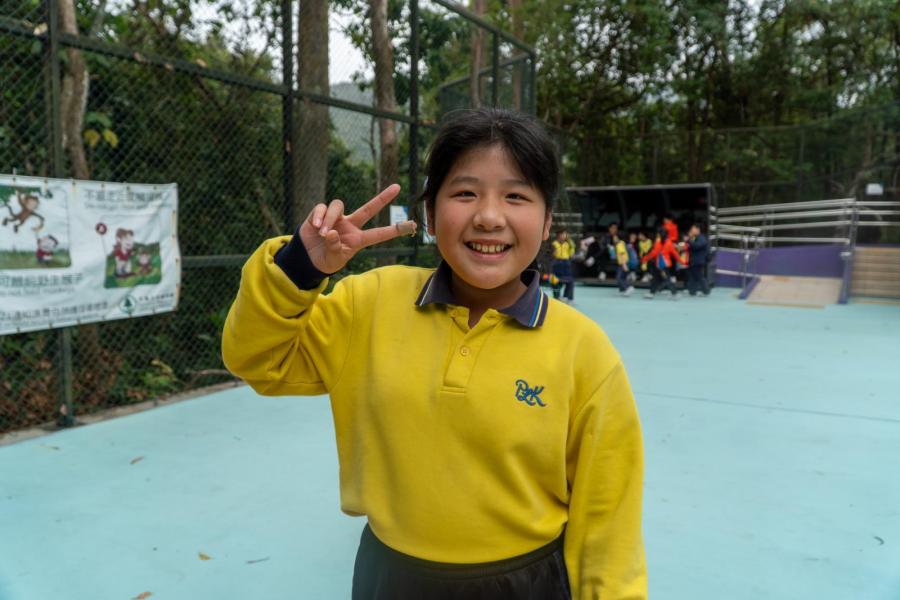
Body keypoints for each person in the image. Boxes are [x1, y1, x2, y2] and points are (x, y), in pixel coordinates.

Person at [221, 108, 646, 600]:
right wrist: (299, 268)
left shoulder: (583, 349)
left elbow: (608, 521)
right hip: (391, 580)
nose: (489, 217)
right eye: (465, 193)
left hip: (527, 584)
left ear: (548, 220)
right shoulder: (369, 303)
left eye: (516, 196)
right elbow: (257, 359)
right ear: (428, 213)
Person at [640, 227, 687, 299]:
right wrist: (682, 262)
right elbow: (675, 254)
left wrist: (644, 259)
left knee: (665, 279)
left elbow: (653, 254)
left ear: (659, 234)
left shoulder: (657, 242)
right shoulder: (669, 243)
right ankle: (652, 293)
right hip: (665, 264)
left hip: (659, 265)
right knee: (657, 279)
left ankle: (674, 294)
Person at [551, 228, 576, 302]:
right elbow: (551, 254)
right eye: (562, 234)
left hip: (566, 263)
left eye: (565, 234)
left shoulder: (568, 244)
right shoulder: (554, 244)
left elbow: (571, 254)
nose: (564, 236)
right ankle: (556, 296)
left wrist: (572, 246)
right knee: (555, 281)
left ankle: (567, 297)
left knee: (570, 281)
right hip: (557, 263)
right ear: (558, 235)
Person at [687, 223, 710, 296]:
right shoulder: (695, 238)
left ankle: (706, 291)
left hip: (698, 261)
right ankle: (692, 291)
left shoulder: (701, 238)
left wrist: (689, 241)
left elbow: (697, 246)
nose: (691, 231)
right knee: (693, 276)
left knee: (699, 276)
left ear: (698, 229)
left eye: (693, 229)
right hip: (694, 260)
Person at [613, 231, 634, 296]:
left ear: (618, 238)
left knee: (619, 277)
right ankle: (622, 290)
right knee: (623, 277)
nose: (614, 238)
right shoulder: (622, 243)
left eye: (615, 237)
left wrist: (624, 264)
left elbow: (622, 254)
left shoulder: (619, 244)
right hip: (624, 262)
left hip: (623, 263)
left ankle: (628, 287)